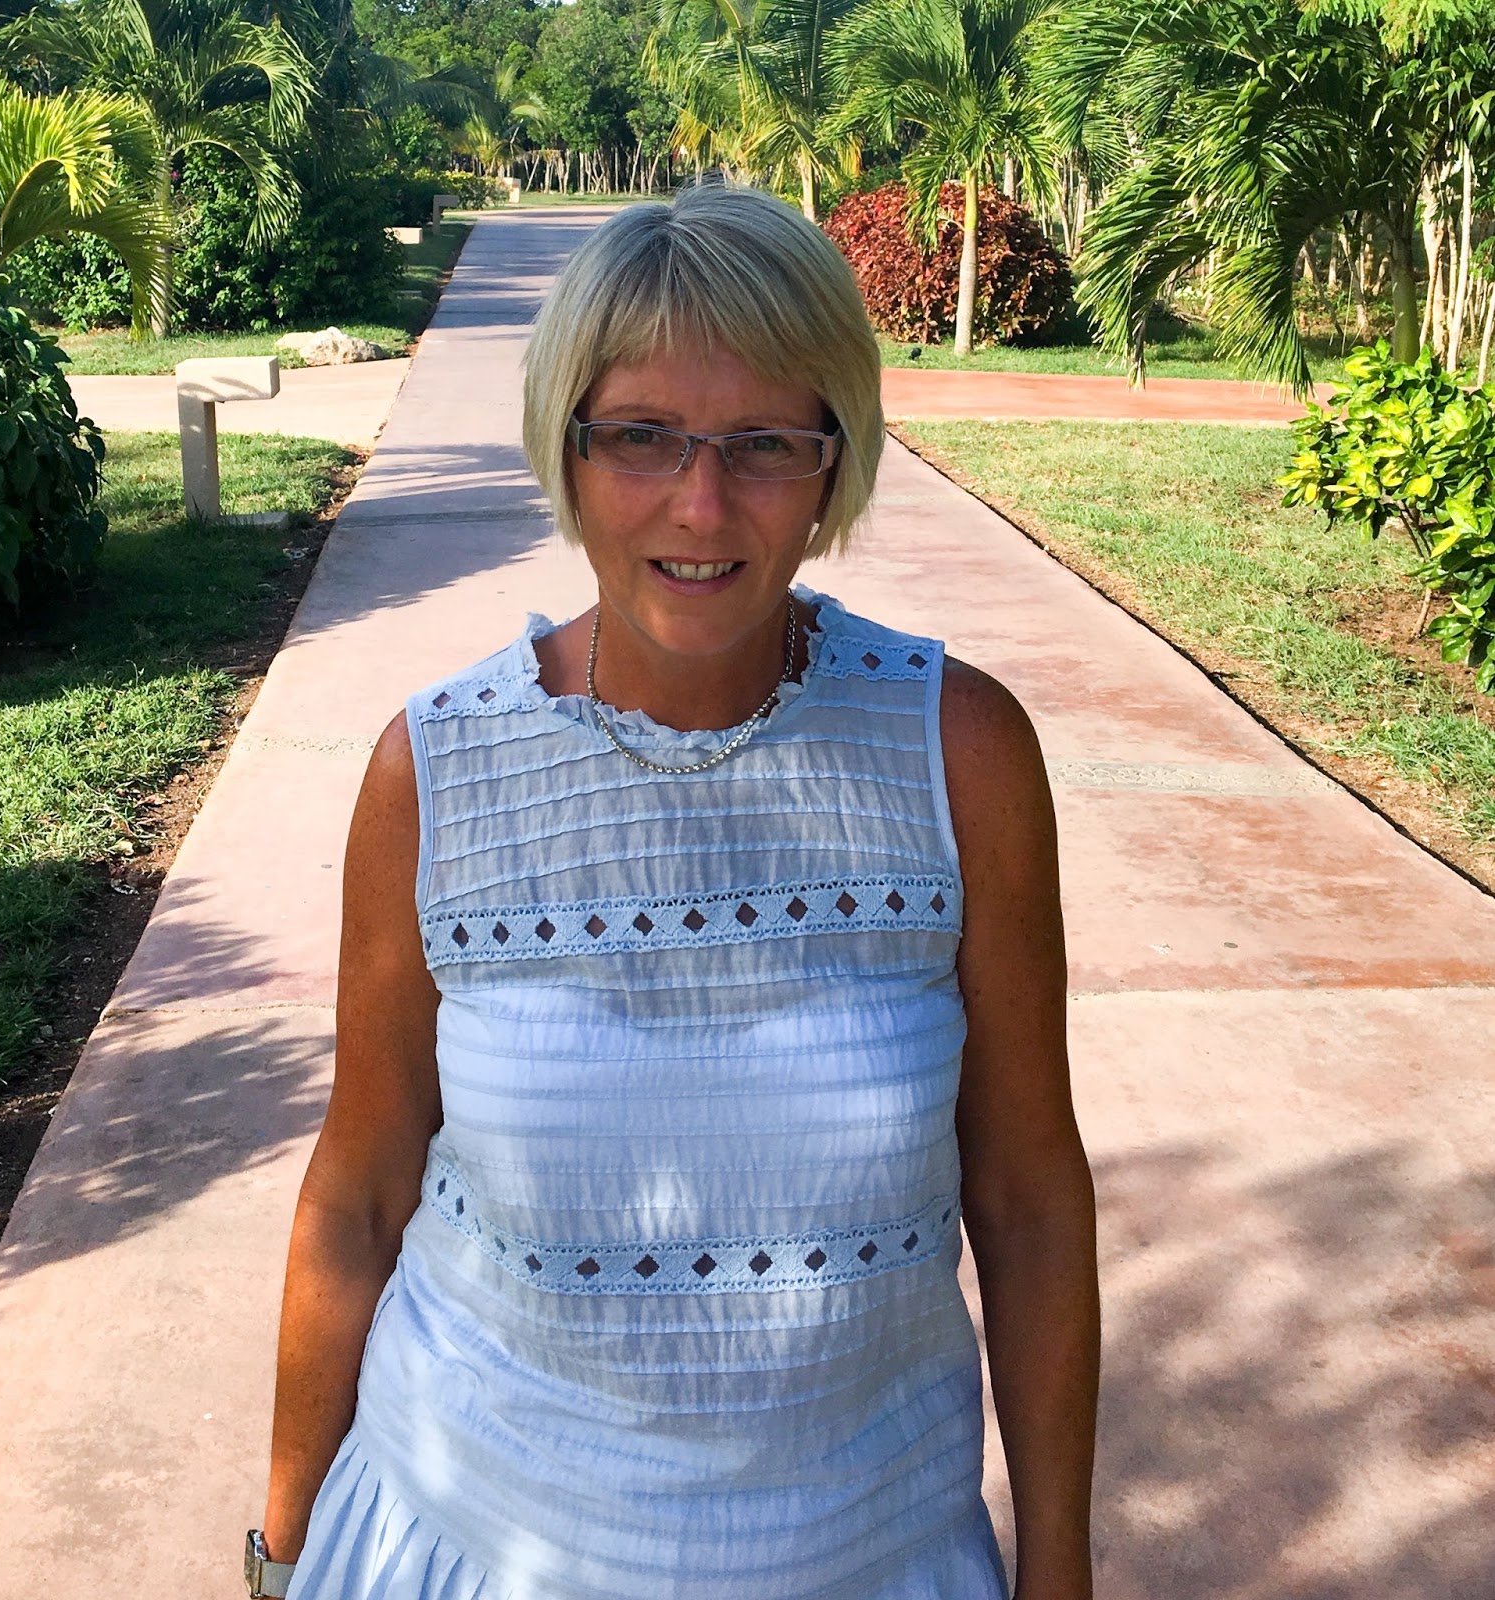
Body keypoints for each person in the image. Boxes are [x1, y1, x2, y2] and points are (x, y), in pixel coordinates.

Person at [252, 184, 1099, 1600]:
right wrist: (282, 1556)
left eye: (765, 443)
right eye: (641, 434)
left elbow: (1027, 1201)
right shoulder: (436, 771)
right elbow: (361, 1186)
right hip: (464, 1545)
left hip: (873, 1557)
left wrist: (1058, 1568)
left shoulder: (960, 756)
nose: (701, 505)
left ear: (833, 464)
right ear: (568, 448)